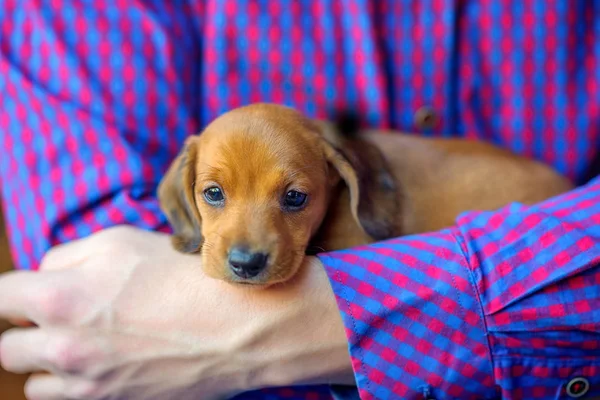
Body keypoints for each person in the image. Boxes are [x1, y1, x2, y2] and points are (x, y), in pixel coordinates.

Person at [0, 1, 599, 399]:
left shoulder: (356, 196)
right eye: (214, 196)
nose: (247, 246)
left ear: (340, 180)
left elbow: (162, 309)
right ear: (187, 192)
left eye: (292, 198)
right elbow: (101, 279)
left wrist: (330, 315)